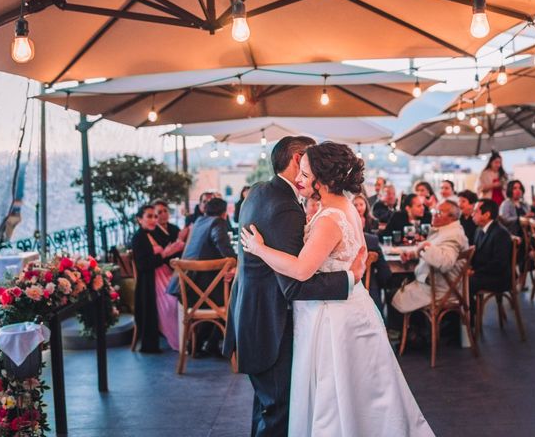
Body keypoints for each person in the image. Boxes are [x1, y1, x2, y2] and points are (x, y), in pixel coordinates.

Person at [240, 141, 434, 437]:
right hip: (343, 307)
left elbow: (302, 270)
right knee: (355, 394)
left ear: (323, 178)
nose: (300, 180)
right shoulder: (341, 208)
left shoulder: (330, 218)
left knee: (337, 394)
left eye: (305, 174)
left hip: (332, 315)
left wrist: (259, 248)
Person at [223, 136, 365, 437]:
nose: (303, 175)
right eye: (303, 165)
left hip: (253, 315)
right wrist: (349, 278)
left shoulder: (259, 192)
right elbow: (295, 285)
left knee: (269, 408)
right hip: (271, 324)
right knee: (278, 411)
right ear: (298, 158)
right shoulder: (286, 207)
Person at [180, 197, 237, 355]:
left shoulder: (199, 221)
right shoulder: (217, 222)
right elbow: (222, 244)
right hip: (201, 289)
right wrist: (237, 262)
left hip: (188, 288)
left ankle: (199, 345)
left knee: (222, 296)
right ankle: (222, 346)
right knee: (235, 298)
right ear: (225, 213)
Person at [393, 200, 469, 313]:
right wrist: (413, 254)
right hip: (433, 284)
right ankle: (415, 329)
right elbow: (433, 250)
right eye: (434, 211)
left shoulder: (453, 235)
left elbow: (445, 262)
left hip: (438, 291)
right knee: (398, 284)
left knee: (392, 289)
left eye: (439, 212)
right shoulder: (446, 230)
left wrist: (425, 246)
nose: (434, 214)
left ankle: (403, 329)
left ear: (451, 217)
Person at [131, 204, 184, 353]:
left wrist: (173, 251)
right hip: (151, 283)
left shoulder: (153, 234)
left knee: (186, 295)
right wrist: (164, 254)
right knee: (175, 303)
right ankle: (181, 340)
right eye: (149, 216)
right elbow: (143, 265)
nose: (154, 219)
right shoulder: (138, 238)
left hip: (165, 276)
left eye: (155, 216)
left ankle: (191, 339)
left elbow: (165, 256)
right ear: (139, 219)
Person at [469, 199, 513, 313]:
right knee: (459, 279)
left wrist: (475, 272)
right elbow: (477, 255)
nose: (472, 214)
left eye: (475, 212)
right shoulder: (479, 230)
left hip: (499, 277)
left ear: (487, 215)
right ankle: (470, 314)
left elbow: (499, 264)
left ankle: (471, 316)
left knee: (465, 283)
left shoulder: (500, 233)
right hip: (485, 273)